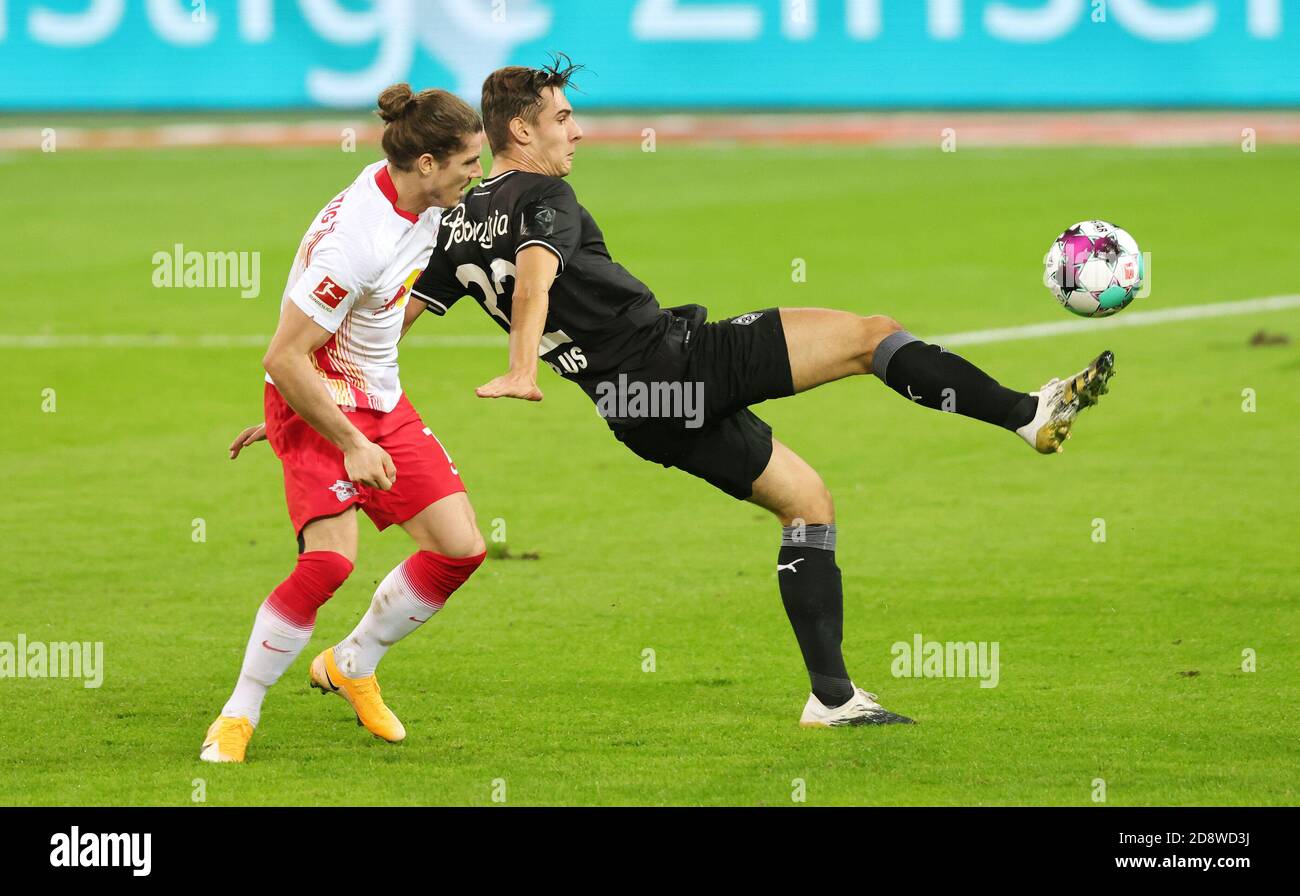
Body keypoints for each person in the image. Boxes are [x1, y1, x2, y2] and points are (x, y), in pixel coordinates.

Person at [410, 58, 1115, 727]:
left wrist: (330, 365)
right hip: (677, 366)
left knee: (807, 504)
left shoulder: (458, 225)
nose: (578, 131)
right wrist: (523, 365)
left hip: (634, 412)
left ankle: (832, 698)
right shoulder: (544, 195)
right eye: (563, 118)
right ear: (522, 131)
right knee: (872, 336)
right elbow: (536, 272)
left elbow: (396, 317)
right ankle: (1028, 413)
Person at [201, 84, 488, 762]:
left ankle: (352, 662)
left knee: (460, 548)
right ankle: (237, 715)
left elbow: (383, 314)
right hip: (328, 408)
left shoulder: (420, 200)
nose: (475, 175)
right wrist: (334, 432)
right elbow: (285, 354)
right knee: (330, 562)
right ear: (426, 162)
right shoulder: (355, 241)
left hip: (373, 398)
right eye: (467, 163)